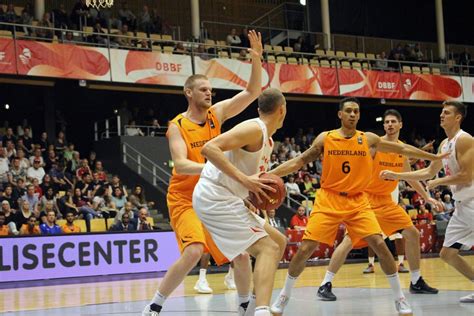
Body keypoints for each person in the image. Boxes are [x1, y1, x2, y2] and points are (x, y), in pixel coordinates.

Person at [270, 97, 449, 315]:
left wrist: (434, 156)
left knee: (380, 246)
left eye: (356, 111)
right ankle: (284, 295)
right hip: (329, 198)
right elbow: (298, 162)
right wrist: (269, 175)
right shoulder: (327, 138)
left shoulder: (369, 139)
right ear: (340, 115)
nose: (353, 114)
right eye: (348, 111)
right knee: (306, 248)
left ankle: (400, 298)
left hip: (358, 201)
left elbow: (403, 149)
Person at [142, 30, 265, 315]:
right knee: (195, 251)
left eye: (211, 90)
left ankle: (245, 304)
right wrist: (218, 168)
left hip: (212, 196)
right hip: (185, 198)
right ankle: (154, 306)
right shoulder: (177, 126)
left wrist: (256, 58)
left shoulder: (216, 114)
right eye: (203, 89)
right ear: (189, 93)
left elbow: (252, 93)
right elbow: (181, 165)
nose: (209, 93)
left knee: (242, 252)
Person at [315, 109, 439, 303]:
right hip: (367, 200)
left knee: (412, 233)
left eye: (393, 122)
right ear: (384, 126)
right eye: (386, 122)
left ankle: (416, 281)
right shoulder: (374, 146)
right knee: (349, 241)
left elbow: (411, 179)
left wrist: (427, 197)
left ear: (400, 125)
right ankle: (325, 283)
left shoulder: (401, 151)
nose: (389, 124)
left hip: (387, 202)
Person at [193, 88, 288, 316]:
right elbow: (209, 148)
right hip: (214, 196)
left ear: (259, 108)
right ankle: (262, 310)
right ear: (282, 111)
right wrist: (245, 181)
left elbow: (245, 176)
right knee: (268, 248)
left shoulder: (268, 139)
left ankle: (254, 305)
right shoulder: (254, 128)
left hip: (228, 196)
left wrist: (248, 195)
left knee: (279, 242)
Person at [381, 100, 473, 303]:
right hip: (461, 206)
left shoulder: (465, 140)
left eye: (447, 112)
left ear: (458, 117)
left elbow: (467, 176)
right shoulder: (444, 144)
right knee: (447, 253)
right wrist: (397, 175)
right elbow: (429, 171)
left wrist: (439, 181)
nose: (442, 115)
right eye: (441, 112)